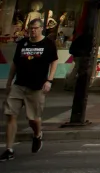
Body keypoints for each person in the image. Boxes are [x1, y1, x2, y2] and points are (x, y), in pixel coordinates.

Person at [1, 18, 58, 162]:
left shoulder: (48, 44)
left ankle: (37, 134)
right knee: (10, 114)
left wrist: (49, 80)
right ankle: (9, 149)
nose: (33, 31)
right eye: (31, 28)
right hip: (19, 84)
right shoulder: (22, 44)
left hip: (37, 86)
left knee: (33, 118)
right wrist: (9, 82)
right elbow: (15, 64)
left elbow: (54, 61)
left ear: (41, 29)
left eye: (36, 28)